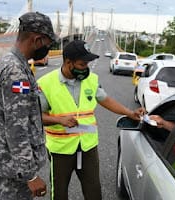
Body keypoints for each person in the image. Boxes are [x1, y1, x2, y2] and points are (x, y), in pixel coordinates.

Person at [37, 40, 145, 200]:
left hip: (88, 146)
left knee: (94, 191)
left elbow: (106, 100)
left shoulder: (91, 79)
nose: (86, 68)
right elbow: (36, 116)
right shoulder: (46, 83)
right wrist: (59, 120)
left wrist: (130, 113)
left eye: (87, 63)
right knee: (59, 193)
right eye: (82, 64)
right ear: (68, 62)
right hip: (61, 149)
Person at [0, 11, 57, 200]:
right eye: (47, 44)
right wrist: (30, 175)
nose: (47, 49)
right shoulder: (15, 70)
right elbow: (16, 127)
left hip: (12, 159)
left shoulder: (13, 62)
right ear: (36, 39)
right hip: (15, 163)